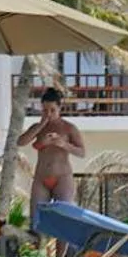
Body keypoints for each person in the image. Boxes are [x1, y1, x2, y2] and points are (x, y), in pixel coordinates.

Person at [17, 86, 85, 228]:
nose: (49, 114)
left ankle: (61, 251)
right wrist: (41, 125)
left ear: (60, 108)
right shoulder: (38, 127)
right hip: (42, 177)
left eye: (52, 110)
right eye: (45, 110)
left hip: (62, 177)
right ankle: (37, 249)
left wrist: (63, 144)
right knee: (36, 219)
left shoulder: (68, 128)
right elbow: (21, 142)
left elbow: (81, 152)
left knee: (64, 219)